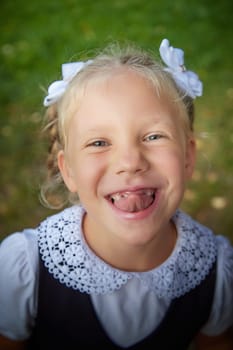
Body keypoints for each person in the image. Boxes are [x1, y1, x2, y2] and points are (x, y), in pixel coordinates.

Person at [0, 38, 232, 350]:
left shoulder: (216, 274)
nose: (130, 162)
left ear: (188, 157)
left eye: (153, 136)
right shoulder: (25, 270)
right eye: (98, 142)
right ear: (68, 170)